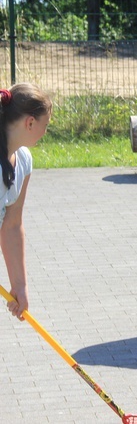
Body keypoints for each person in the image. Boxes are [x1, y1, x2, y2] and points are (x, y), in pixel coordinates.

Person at [0, 83, 53, 320]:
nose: (45, 132)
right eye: (46, 125)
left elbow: (12, 225)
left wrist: (19, 285)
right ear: (30, 123)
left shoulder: (23, 161)